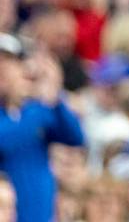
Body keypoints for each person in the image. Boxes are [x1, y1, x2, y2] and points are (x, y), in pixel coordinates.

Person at [0, 32, 84, 222]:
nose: (3, 70)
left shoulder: (32, 111)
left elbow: (75, 136)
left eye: (9, 63)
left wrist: (56, 98)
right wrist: (43, 104)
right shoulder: (35, 114)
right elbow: (3, 140)